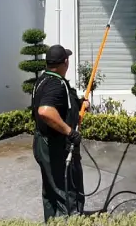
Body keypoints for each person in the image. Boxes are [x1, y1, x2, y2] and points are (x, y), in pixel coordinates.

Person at [31, 44, 90, 221]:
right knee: (66, 191)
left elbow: (60, 105)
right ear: (65, 62)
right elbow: (45, 110)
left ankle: (52, 221)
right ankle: (70, 221)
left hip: (42, 142)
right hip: (55, 146)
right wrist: (70, 132)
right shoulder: (56, 84)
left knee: (51, 190)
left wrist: (80, 104)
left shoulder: (43, 80)